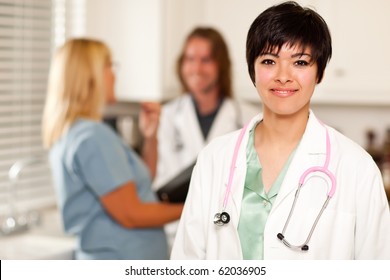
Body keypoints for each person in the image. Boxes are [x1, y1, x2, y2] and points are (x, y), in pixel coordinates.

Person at [171, 1, 390, 259]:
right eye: (268, 61)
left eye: (300, 62)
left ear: (319, 72)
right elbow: (186, 262)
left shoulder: (357, 168)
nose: (283, 76)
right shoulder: (214, 159)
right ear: (252, 69)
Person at [42, 38, 183, 260]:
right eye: (109, 65)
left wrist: (150, 137)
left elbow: (137, 186)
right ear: (89, 76)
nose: (114, 74)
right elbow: (131, 213)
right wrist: (194, 207)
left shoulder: (73, 132)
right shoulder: (92, 137)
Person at [144, 27, 255, 249]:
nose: (196, 68)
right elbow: (149, 179)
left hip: (228, 235)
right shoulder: (165, 116)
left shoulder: (248, 118)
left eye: (206, 60)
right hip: (175, 234)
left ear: (220, 65)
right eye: (190, 59)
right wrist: (149, 138)